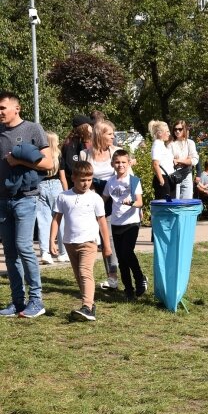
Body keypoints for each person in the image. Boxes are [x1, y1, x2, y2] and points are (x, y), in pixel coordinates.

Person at [0, 91, 53, 318]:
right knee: (10, 253)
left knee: (24, 247)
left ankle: (36, 300)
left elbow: (49, 163)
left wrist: (19, 160)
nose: (0, 112)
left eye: (2, 108)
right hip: (2, 199)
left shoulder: (33, 129)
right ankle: (18, 302)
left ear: (16, 108)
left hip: (25, 197)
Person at [50, 161, 112, 322]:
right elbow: (56, 219)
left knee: (85, 273)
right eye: (82, 180)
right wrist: (52, 241)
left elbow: (102, 222)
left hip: (89, 242)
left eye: (89, 180)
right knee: (79, 276)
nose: (86, 183)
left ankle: (87, 306)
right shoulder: (63, 197)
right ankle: (90, 306)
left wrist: (106, 245)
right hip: (70, 242)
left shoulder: (95, 198)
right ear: (73, 178)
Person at [80, 119, 121, 289]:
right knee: (98, 237)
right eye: (110, 134)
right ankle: (88, 276)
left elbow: (127, 176)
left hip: (115, 200)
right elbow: (82, 177)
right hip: (94, 199)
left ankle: (113, 276)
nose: (113, 137)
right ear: (100, 135)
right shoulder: (85, 154)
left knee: (110, 237)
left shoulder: (117, 152)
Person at [102, 150, 147, 301]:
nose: (120, 165)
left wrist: (132, 203)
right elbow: (103, 199)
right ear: (113, 164)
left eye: (123, 162)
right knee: (121, 259)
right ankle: (128, 290)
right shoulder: (110, 182)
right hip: (116, 223)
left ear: (129, 163)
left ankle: (140, 279)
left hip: (131, 222)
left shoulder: (134, 181)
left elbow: (140, 202)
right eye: (117, 162)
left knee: (128, 253)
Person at [37, 131, 68, 265]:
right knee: (60, 220)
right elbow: (63, 177)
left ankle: (45, 252)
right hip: (56, 186)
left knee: (43, 221)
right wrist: (67, 193)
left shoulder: (39, 155)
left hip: (40, 185)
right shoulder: (58, 155)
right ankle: (63, 252)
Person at [169, 120, 199, 200]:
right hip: (175, 174)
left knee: (187, 200)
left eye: (180, 129)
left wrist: (178, 160)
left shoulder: (190, 143)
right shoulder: (171, 144)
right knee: (175, 200)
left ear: (184, 129)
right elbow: (170, 161)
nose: (177, 131)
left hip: (187, 173)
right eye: (175, 129)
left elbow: (194, 160)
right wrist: (187, 160)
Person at [60, 115, 92, 189]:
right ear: (84, 127)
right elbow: (70, 167)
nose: (91, 127)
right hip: (74, 184)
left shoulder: (86, 142)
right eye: (89, 125)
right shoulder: (71, 144)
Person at [149, 120, 174, 200]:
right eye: (167, 131)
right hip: (163, 177)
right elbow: (155, 164)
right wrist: (161, 181)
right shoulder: (157, 144)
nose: (169, 134)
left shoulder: (162, 144)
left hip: (168, 178)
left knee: (170, 204)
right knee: (164, 205)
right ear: (159, 133)